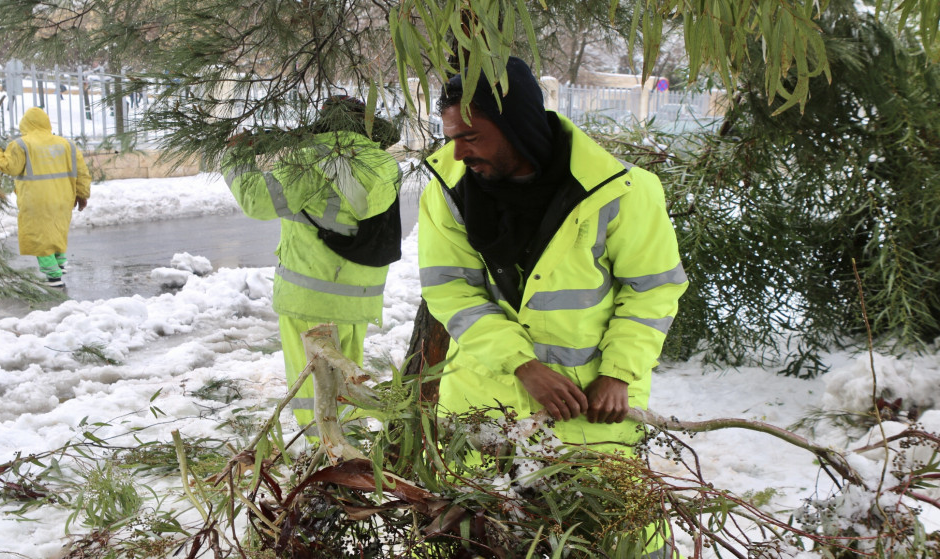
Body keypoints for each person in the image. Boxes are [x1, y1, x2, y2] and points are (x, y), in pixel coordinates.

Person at [417, 57, 688, 555]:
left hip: (589, 415)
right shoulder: (449, 193)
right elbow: (450, 290)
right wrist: (522, 365)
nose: (457, 153)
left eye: (470, 137)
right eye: (451, 136)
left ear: (515, 125)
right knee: (486, 541)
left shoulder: (624, 191)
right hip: (484, 412)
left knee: (611, 539)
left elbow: (653, 290)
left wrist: (619, 374)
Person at [222, 96, 402, 440]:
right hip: (359, 298)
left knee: (314, 392)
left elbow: (257, 201)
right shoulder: (386, 165)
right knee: (347, 384)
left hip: (310, 300)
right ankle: (353, 451)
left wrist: (234, 155)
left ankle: (323, 460)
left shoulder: (312, 161)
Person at [0, 107, 91, 288]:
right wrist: (82, 195)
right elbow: (82, 172)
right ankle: (60, 263)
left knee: (40, 236)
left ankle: (53, 277)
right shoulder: (67, 144)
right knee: (56, 230)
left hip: (36, 199)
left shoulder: (21, 144)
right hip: (64, 197)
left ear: (25, 124)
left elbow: (9, 166)